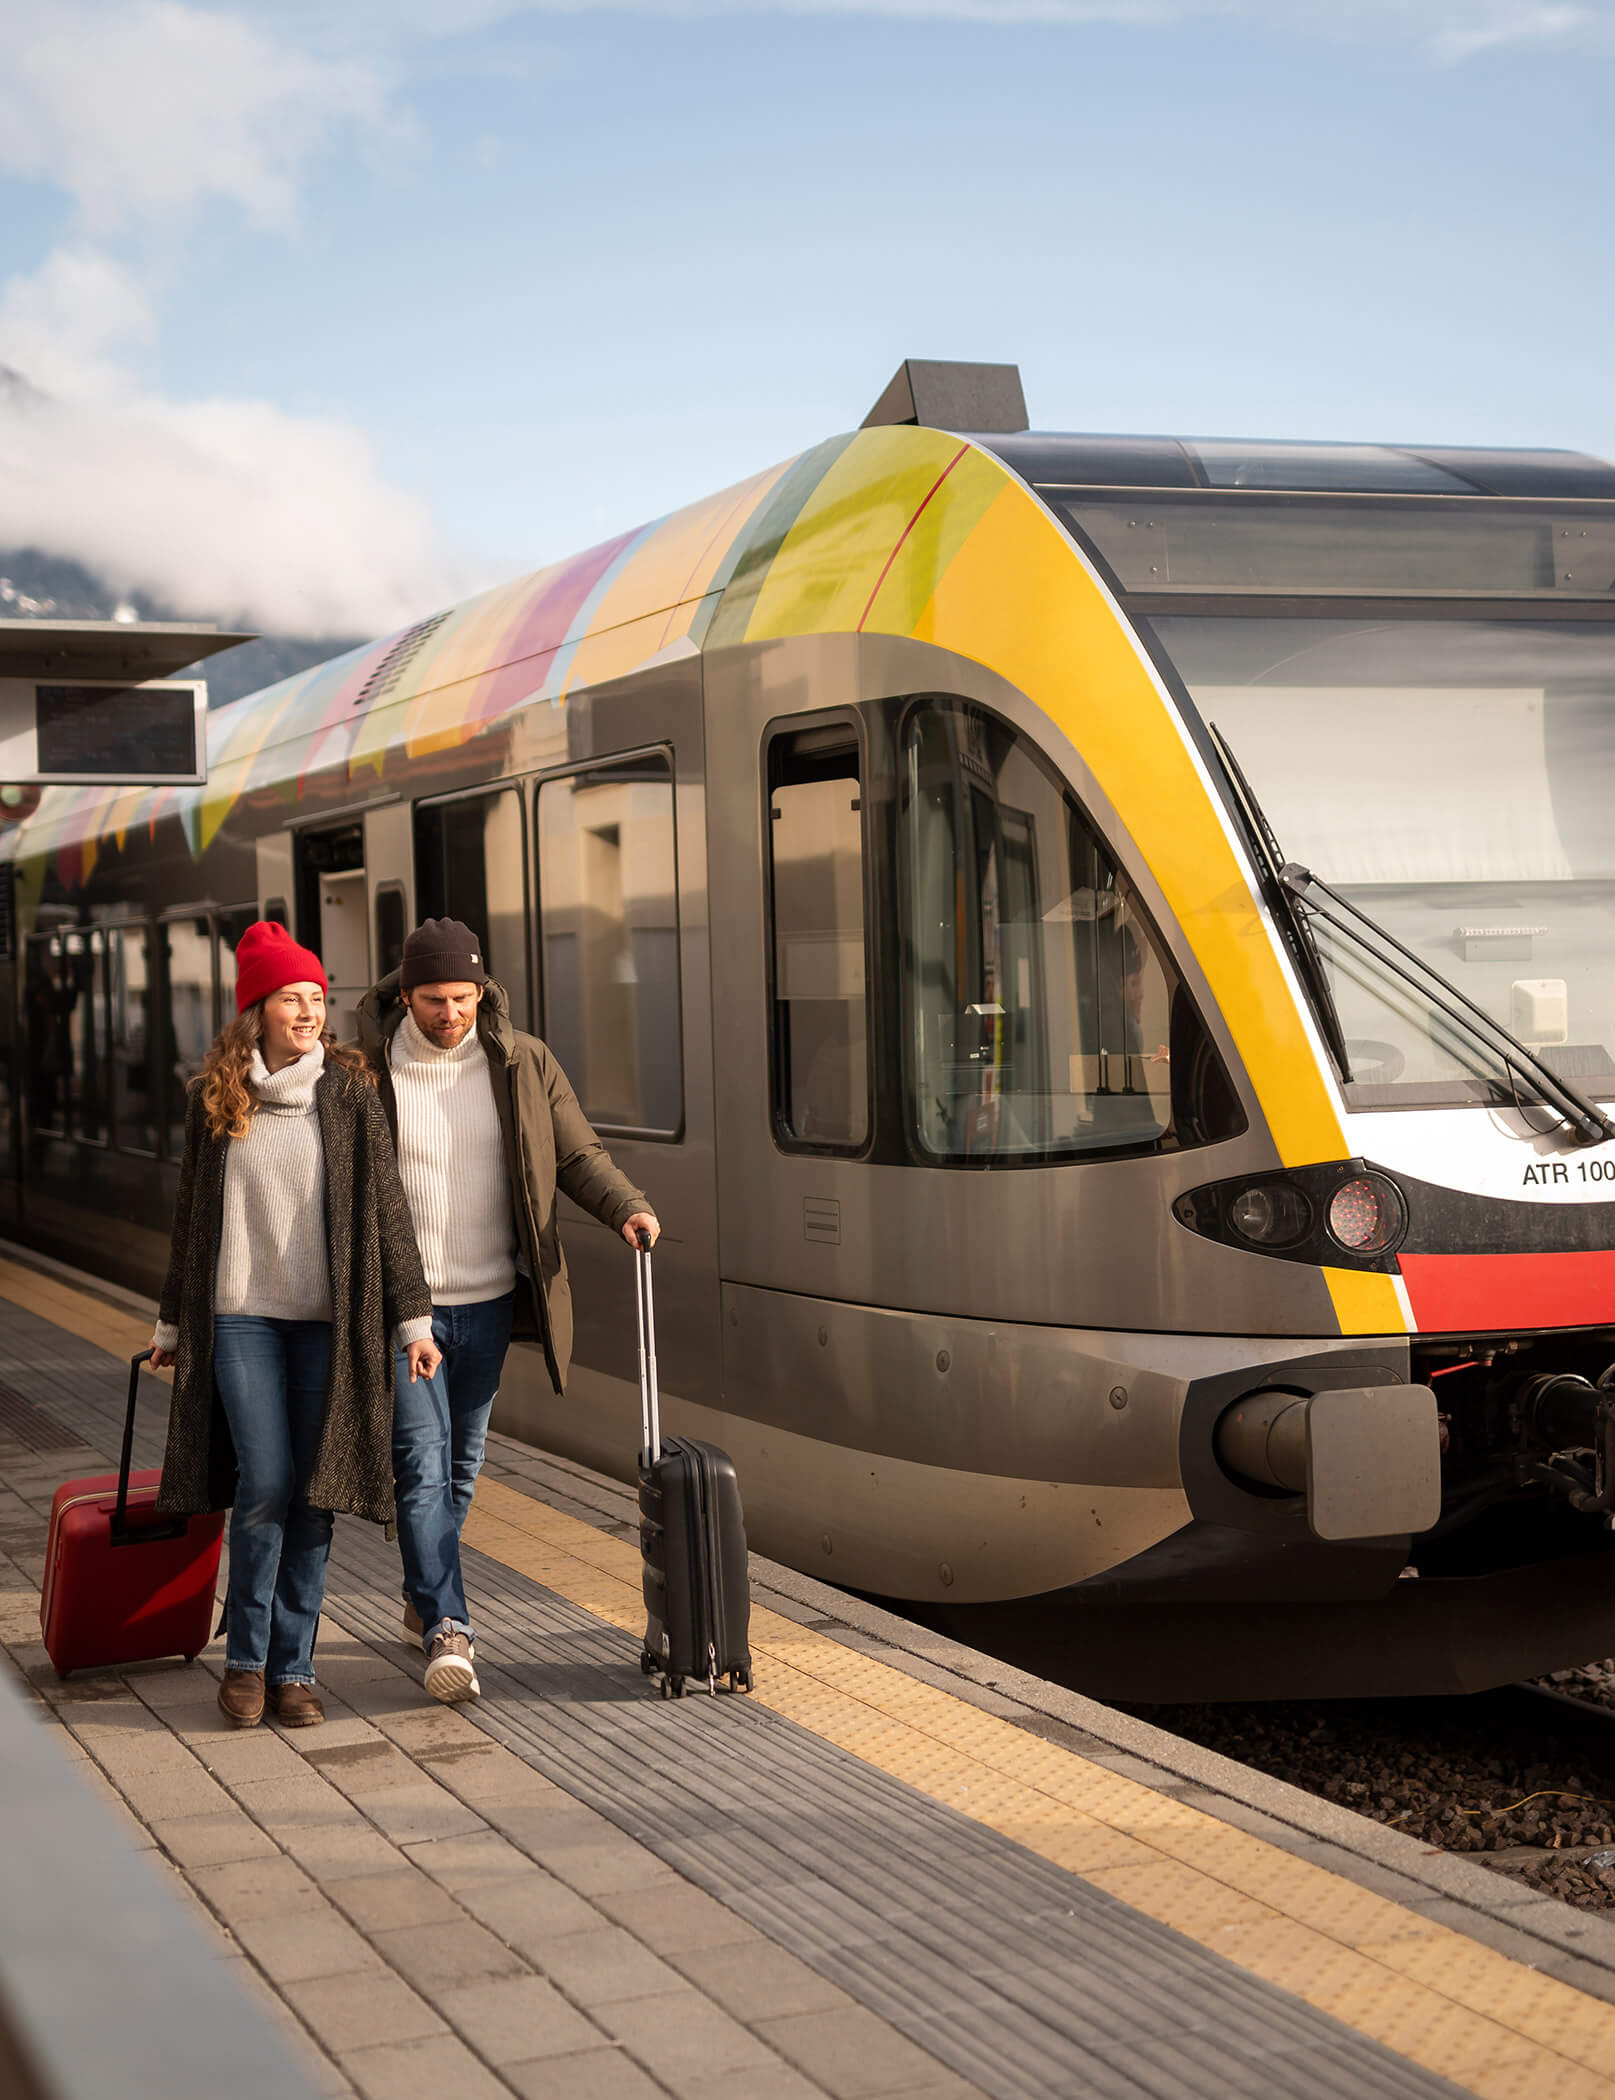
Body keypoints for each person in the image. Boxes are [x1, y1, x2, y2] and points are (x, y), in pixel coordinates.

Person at [357, 917, 658, 1703]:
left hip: (488, 1299)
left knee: (459, 1468)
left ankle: (422, 1590)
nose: (448, 1013)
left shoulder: (521, 1062)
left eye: (461, 997)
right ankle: (447, 1629)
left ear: (481, 992)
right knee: (421, 1467)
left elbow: (576, 1153)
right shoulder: (367, 1068)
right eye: (431, 999)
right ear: (405, 995)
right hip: (406, 1309)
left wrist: (624, 1206)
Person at [149, 921, 441, 1730]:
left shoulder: (347, 1091)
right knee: (267, 1483)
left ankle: (293, 1671)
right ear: (257, 1010)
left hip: (327, 1326)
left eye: (317, 997)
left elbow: (388, 1210)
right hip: (241, 1319)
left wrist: (415, 1324)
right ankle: (244, 1664)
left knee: (314, 1495)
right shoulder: (218, 1100)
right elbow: (190, 1220)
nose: (309, 1011)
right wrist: (172, 1328)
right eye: (291, 998)